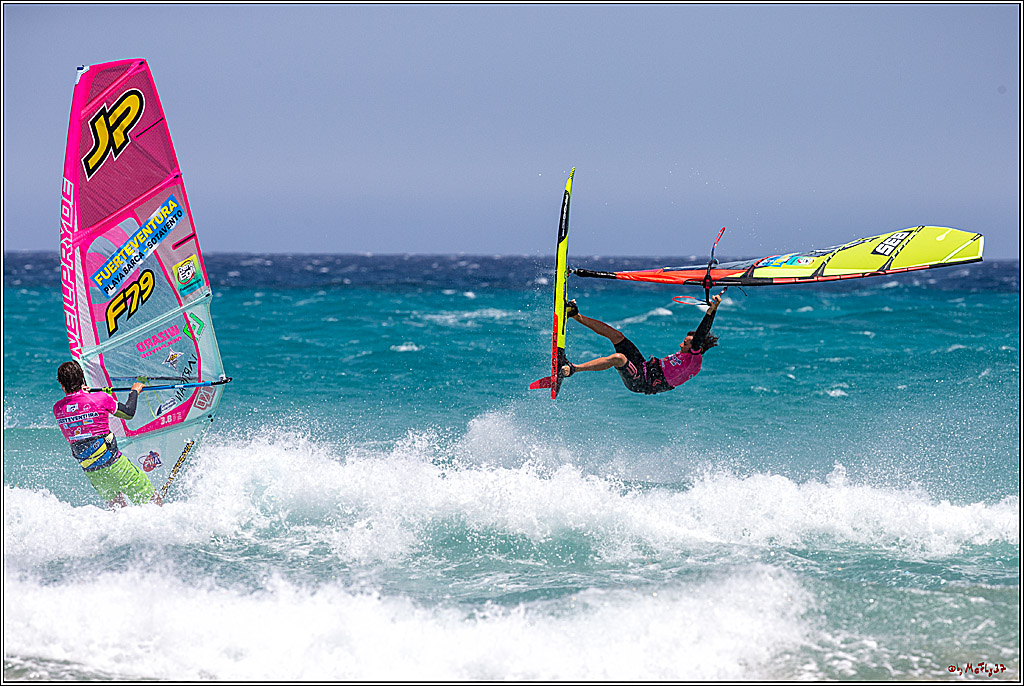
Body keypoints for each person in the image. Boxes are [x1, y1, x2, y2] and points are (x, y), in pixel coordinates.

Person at [560, 293, 722, 395]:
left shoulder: (694, 360)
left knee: (619, 358)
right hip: (643, 366)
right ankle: (575, 315)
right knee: (617, 336)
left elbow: (701, 335)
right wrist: (714, 308)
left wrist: (711, 311)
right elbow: (699, 337)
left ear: (696, 348)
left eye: (685, 344)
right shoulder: (688, 354)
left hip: (642, 382)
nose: (680, 345)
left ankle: (573, 369)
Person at [53, 360, 162, 508]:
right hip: (115, 465)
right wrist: (134, 391)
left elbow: (77, 407)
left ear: (61, 384)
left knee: (118, 510)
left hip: (92, 472)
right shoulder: (100, 398)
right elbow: (128, 413)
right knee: (153, 503)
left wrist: (83, 392)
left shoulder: (58, 408)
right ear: (82, 378)